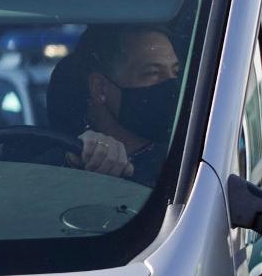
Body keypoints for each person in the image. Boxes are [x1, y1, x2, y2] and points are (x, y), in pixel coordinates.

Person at [48, 26, 183, 184]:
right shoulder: (58, 160)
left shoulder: (185, 162)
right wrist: (76, 158)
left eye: (176, 72)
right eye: (153, 73)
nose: (171, 85)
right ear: (100, 88)